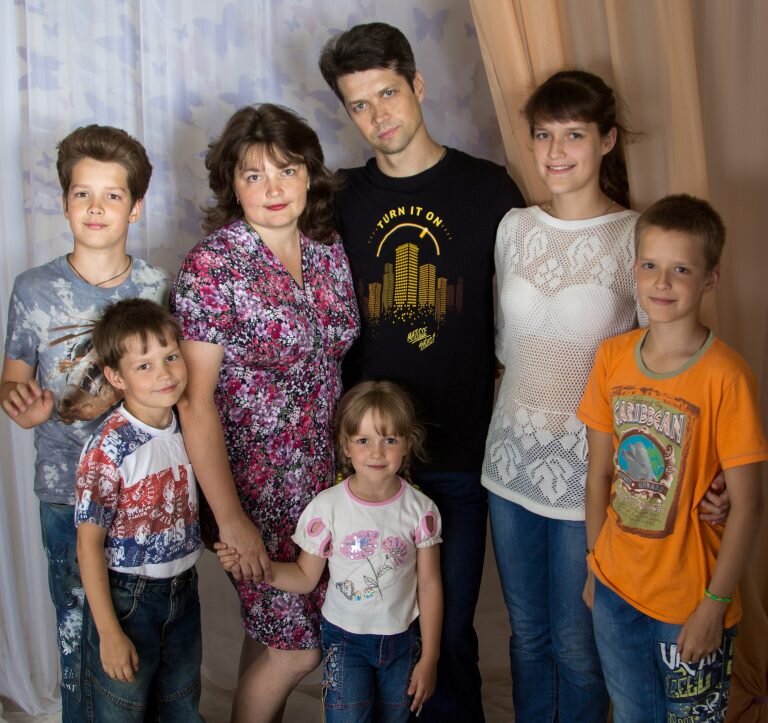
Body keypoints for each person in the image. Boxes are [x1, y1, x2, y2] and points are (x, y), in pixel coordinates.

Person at [481, 70, 730, 722]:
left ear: (607, 140)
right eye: (543, 135)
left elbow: (669, 365)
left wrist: (707, 471)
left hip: (592, 472)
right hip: (507, 462)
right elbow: (506, 344)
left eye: (573, 134)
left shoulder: (636, 236)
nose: (555, 151)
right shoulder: (513, 227)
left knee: (576, 641)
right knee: (527, 635)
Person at [318, 22, 525, 721]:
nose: (378, 115)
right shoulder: (340, 198)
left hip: (459, 450)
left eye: (388, 93)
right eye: (359, 105)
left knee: (449, 631)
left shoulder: (488, 189)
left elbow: (527, 312)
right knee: (376, 628)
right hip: (370, 461)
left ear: (418, 86)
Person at [171, 103, 360, 723]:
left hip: (324, 484)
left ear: (309, 175)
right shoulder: (212, 265)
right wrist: (231, 520)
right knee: (297, 649)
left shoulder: (327, 250)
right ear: (232, 184)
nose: (273, 188)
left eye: (287, 170)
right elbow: (194, 400)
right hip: (255, 489)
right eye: (254, 175)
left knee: (274, 634)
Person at [1, 124, 170, 722]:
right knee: (80, 636)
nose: (96, 208)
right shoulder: (33, 289)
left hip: (146, 490)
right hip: (66, 490)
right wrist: (23, 403)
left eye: (112, 195)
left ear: (135, 207)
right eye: (83, 194)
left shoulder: (157, 286)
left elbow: (172, 384)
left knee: (145, 635)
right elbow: (12, 377)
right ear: (65, 201)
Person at [577, 194, 767, 720]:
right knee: (633, 713)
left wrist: (715, 604)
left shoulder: (726, 375)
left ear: (710, 279)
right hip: (615, 587)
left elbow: (749, 505)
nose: (662, 282)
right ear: (634, 270)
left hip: (691, 598)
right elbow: (598, 474)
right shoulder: (612, 357)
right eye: (650, 266)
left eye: (681, 269)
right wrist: (594, 565)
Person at [219, 380, 442, 722]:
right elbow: (305, 577)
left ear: (407, 444)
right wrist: (256, 567)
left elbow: (429, 585)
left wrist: (430, 658)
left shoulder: (420, 510)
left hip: (402, 642)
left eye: (390, 440)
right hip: (345, 643)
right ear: (345, 446)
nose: (377, 452)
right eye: (363, 440)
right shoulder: (327, 507)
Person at [75, 299, 202, 721]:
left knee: (181, 703)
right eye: (144, 365)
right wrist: (110, 633)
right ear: (117, 377)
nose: (164, 373)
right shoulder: (109, 447)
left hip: (184, 590)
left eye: (170, 357)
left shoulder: (187, 426)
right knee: (122, 709)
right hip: (129, 598)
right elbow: (88, 545)